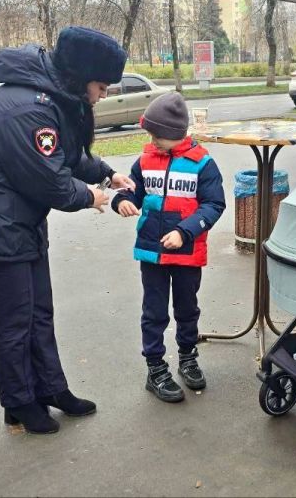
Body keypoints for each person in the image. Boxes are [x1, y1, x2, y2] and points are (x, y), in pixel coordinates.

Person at [0, 27, 134, 434]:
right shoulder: (25, 108)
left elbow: (67, 154)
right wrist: (91, 196)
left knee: (38, 313)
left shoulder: (47, 98)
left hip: (18, 221)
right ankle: (18, 402)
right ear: (81, 76)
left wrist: (106, 173)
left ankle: (50, 389)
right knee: (13, 321)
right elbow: (48, 181)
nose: (102, 96)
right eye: (101, 87)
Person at [112, 92, 226, 403]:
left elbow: (214, 205)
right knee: (154, 311)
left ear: (174, 133)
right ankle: (155, 368)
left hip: (187, 253)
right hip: (152, 252)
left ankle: (188, 357)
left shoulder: (203, 163)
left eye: (155, 135)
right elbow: (131, 190)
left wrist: (184, 232)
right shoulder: (145, 160)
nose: (151, 140)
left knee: (187, 309)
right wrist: (122, 201)